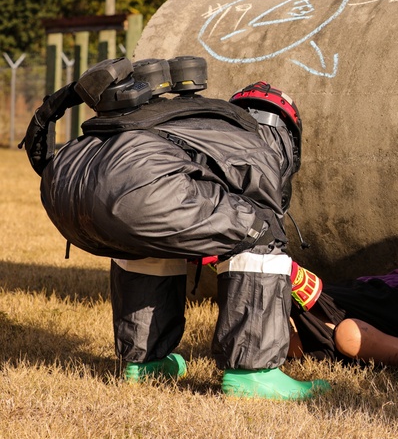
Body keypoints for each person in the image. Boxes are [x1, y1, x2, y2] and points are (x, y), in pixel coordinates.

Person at [22, 55, 330, 401]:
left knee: (153, 236)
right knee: (262, 230)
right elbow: (261, 223)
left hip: (65, 182)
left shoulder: (192, 121)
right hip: (135, 186)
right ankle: (254, 373)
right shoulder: (255, 140)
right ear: (285, 133)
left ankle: (144, 362)